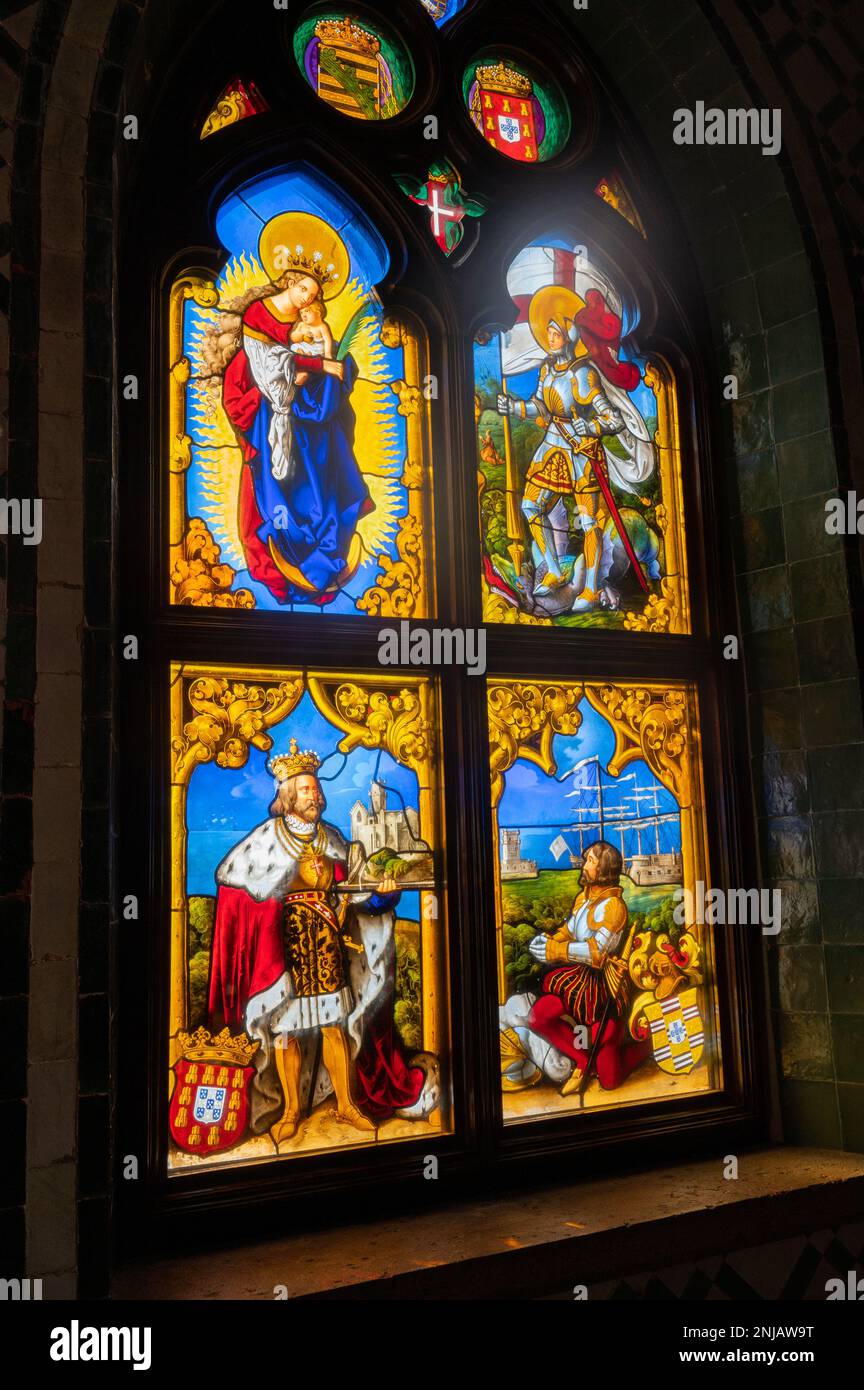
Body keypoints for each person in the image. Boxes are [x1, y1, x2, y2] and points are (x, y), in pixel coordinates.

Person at [207, 740, 426, 1147]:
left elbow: (356, 893)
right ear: (288, 794)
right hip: (285, 952)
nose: (315, 795)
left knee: (334, 1027)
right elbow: (233, 882)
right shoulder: (266, 839)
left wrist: (385, 895)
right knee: (287, 1034)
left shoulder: (333, 838)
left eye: (316, 789)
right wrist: (267, 903)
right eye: (306, 789)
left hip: (327, 948)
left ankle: (346, 1103)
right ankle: (291, 1111)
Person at [221, 211, 373, 606]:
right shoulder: (259, 314)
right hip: (270, 411)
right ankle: (289, 554)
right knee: (281, 485)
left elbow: (322, 361)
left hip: (308, 414)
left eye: (313, 292)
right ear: (290, 281)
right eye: (304, 287)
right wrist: (319, 365)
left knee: (329, 476)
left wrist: (326, 368)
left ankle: (324, 556)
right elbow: (268, 364)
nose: (308, 296)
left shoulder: (313, 320)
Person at [497, 285, 654, 611]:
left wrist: (592, 427)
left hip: (581, 453)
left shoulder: (584, 375)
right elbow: (540, 407)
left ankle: (592, 589)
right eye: (548, 333)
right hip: (552, 448)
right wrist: (514, 407)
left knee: (589, 523)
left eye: (555, 332)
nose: (549, 338)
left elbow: (612, 418)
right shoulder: (547, 370)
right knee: (530, 506)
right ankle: (554, 571)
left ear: (569, 331)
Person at [526, 840, 651, 1093]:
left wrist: (557, 951)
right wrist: (549, 942)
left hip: (603, 986)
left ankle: (649, 1046)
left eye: (590, 861)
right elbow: (569, 930)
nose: (584, 866)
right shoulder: (584, 898)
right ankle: (584, 1063)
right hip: (577, 978)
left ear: (603, 868)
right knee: (539, 1016)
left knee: (610, 1080)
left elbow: (597, 953)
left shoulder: (614, 907)